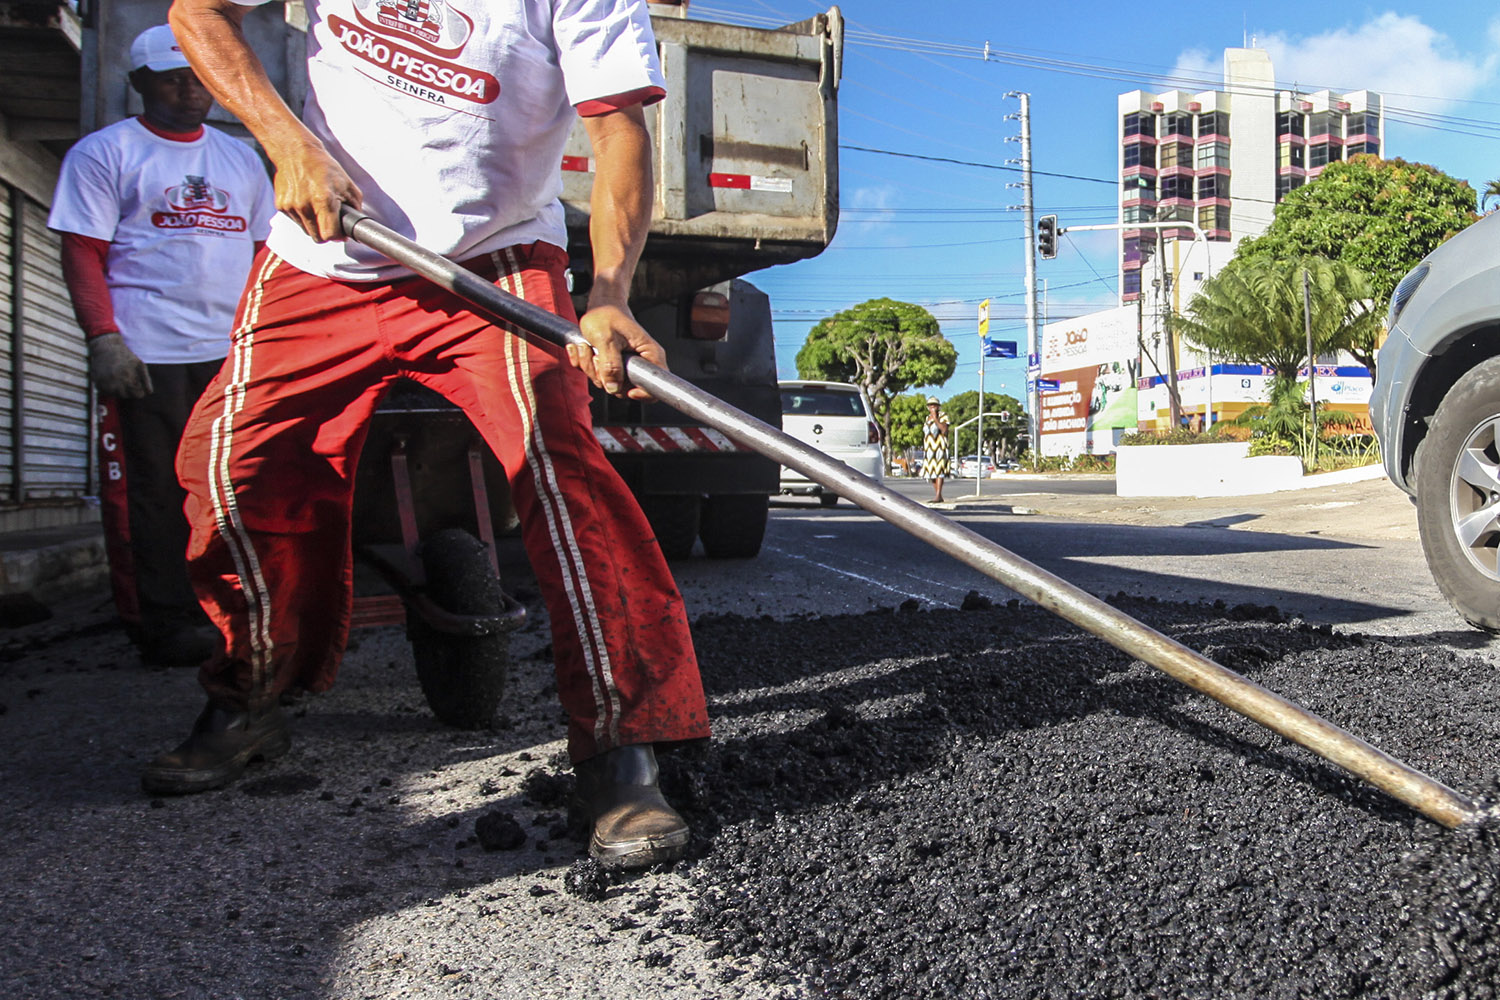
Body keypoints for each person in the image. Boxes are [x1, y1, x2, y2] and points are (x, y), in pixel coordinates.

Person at [151, 0, 710, 870]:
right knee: (229, 469)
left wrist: (609, 292)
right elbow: (198, 12)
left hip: (494, 260)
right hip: (321, 260)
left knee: (563, 474)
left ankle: (621, 753)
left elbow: (618, 132)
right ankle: (248, 699)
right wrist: (286, 139)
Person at [48, 25, 275, 666]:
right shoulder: (105, 153)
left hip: (227, 350)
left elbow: (263, 255)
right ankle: (162, 622)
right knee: (150, 492)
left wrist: (262, 339)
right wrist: (103, 339)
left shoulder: (239, 160)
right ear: (140, 84)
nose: (191, 89)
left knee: (230, 486)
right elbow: (82, 251)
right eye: (174, 78)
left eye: (201, 77)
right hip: (147, 353)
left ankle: (232, 609)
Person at [922, 396, 951, 504]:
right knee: (931, 472)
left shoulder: (943, 416)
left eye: (934, 405)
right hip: (929, 448)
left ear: (938, 406)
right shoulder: (926, 418)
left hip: (939, 447)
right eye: (930, 405)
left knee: (939, 471)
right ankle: (937, 495)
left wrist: (935, 418)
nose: (932, 407)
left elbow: (944, 430)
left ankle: (938, 495)